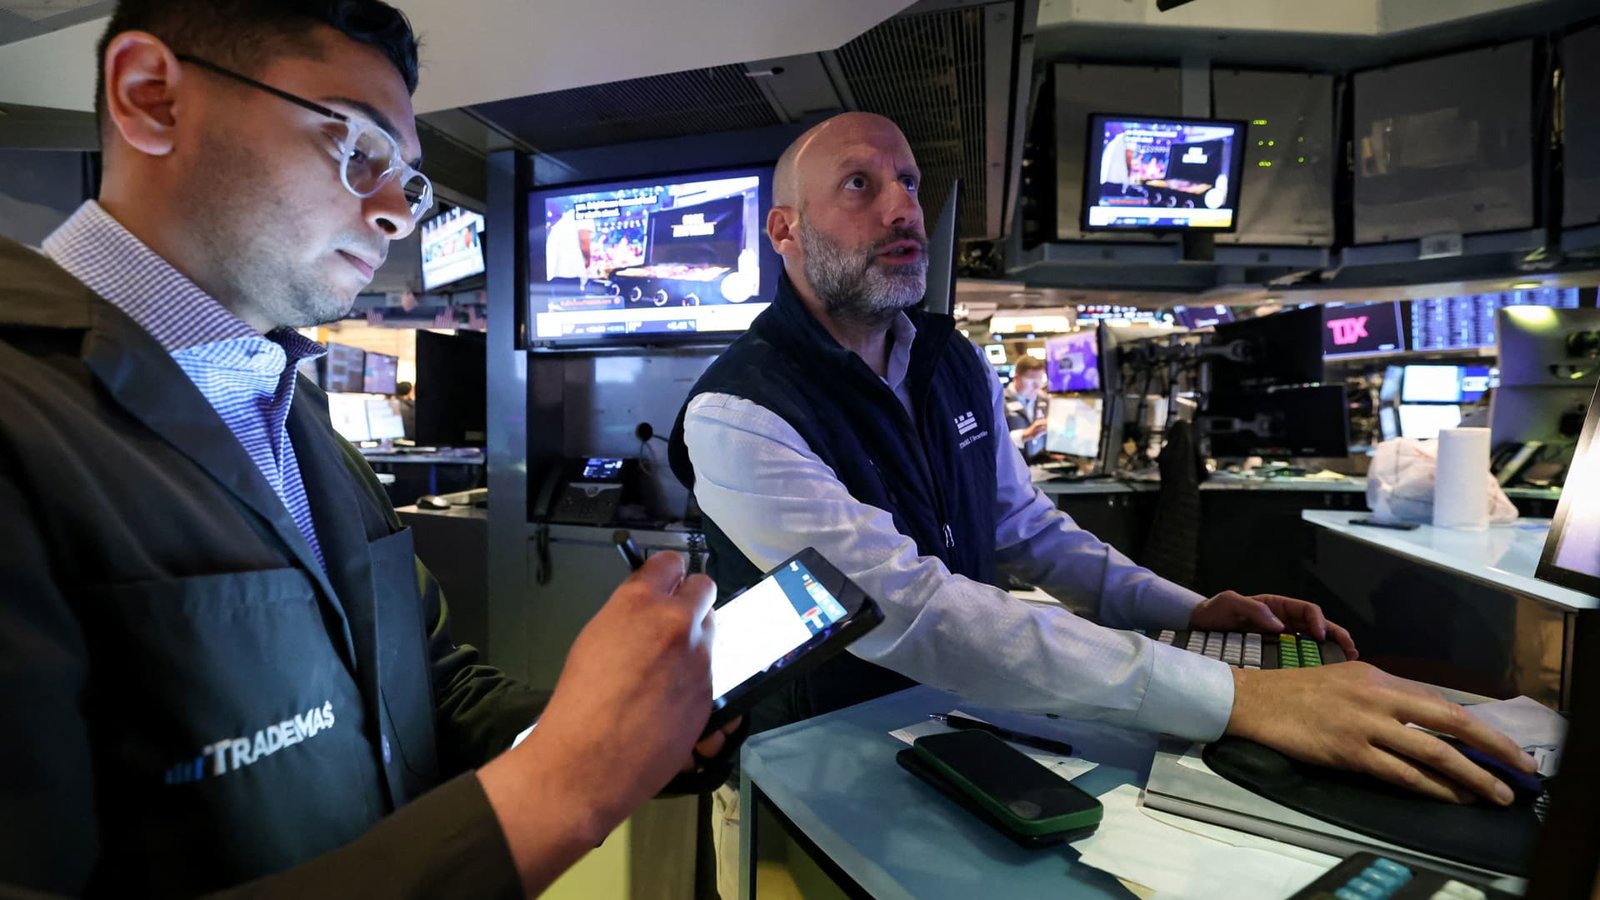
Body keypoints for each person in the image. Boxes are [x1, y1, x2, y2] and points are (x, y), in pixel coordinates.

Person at [667, 114, 1537, 882]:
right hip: (807, 763)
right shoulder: (739, 411)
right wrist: (1240, 697)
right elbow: (911, 608)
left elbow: (1024, 527)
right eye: (860, 184)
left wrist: (1184, 611)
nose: (903, 209)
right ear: (785, 229)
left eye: (910, 182)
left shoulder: (946, 357)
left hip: (945, 732)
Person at [0, 2, 738, 896]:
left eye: (409, 183)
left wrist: (623, 731)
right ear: (151, 96)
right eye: (358, 148)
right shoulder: (24, 416)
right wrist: (564, 787)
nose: (395, 215)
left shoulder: (295, 411)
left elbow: (424, 689)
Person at [1005, 354, 1049, 459]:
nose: (1038, 385)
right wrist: (1025, 435)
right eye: (1031, 380)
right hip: (1015, 462)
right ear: (1016, 378)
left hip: (1041, 461)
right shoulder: (1000, 402)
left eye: (1040, 379)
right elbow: (996, 440)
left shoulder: (1044, 399)